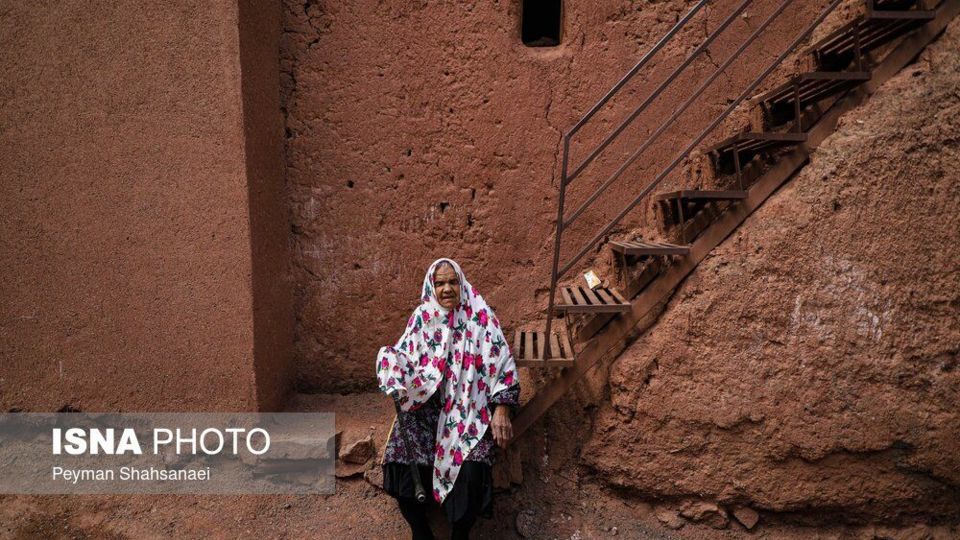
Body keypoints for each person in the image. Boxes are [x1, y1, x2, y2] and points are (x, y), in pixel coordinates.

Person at [376, 258, 520, 540]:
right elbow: (403, 354)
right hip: (425, 409)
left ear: (461, 284)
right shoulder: (422, 317)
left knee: (472, 468)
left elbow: (502, 364)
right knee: (401, 458)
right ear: (431, 286)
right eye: (440, 283)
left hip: (467, 410)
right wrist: (390, 364)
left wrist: (502, 408)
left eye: (452, 282)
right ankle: (421, 532)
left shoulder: (481, 318)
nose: (447, 289)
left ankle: (460, 534)